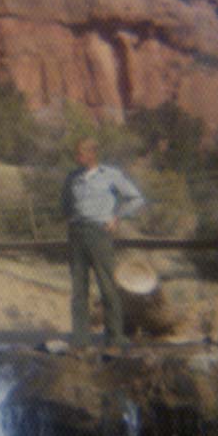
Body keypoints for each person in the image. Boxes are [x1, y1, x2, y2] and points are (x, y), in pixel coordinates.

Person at [60, 137, 145, 350]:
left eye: (80, 153)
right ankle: (80, 338)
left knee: (107, 286)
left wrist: (116, 217)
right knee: (79, 288)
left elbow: (136, 198)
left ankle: (114, 336)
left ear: (91, 154)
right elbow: (64, 204)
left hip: (99, 234)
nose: (76, 157)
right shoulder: (72, 177)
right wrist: (71, 221)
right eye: (76, 153)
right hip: (77, 235)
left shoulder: (110, 175)